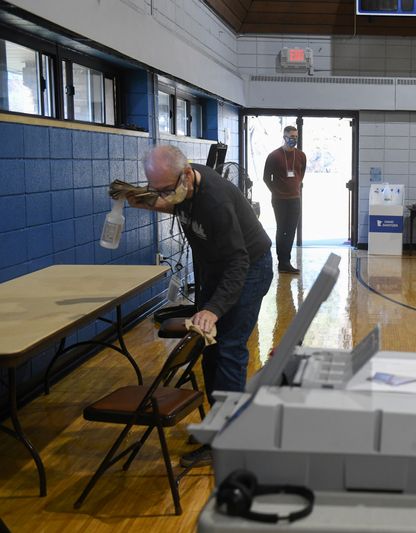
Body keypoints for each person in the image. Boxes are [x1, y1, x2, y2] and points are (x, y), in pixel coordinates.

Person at [127, 145, 273, 467]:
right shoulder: (181, 187)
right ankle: (218, 426)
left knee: (229, 349)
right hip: (217, 271)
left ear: (187, 176)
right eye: (157, 190)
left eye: (166, 190)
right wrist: (146, 200)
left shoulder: (215, 201)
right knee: (208, 346)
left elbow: (239, 261)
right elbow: (172, 203)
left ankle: (229, 439)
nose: (163, 196)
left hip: (249, 270)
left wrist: (213, 309)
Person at [264, 125, 307, 274]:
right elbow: (266, 178)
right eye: (291, 137)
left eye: (295, 137)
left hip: (295, 199)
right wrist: (276, 191)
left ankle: (286, 261)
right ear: (284, 137)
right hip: (279, 199)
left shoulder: (301, 155)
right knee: (281, 229)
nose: (293, 140)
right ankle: (281, 261)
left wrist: (295, 186)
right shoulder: (274, 156)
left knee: (290, 230)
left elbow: (301, 174)